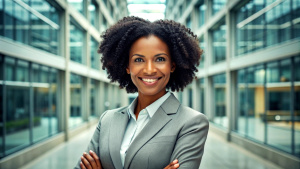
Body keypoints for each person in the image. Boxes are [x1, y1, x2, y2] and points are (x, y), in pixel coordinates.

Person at [74, 16, 209, 169]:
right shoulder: (107, 119)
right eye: (138, 60)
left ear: (172, 65)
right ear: (127, 66)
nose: (149, 69)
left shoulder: (192, 122)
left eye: (160, 59)